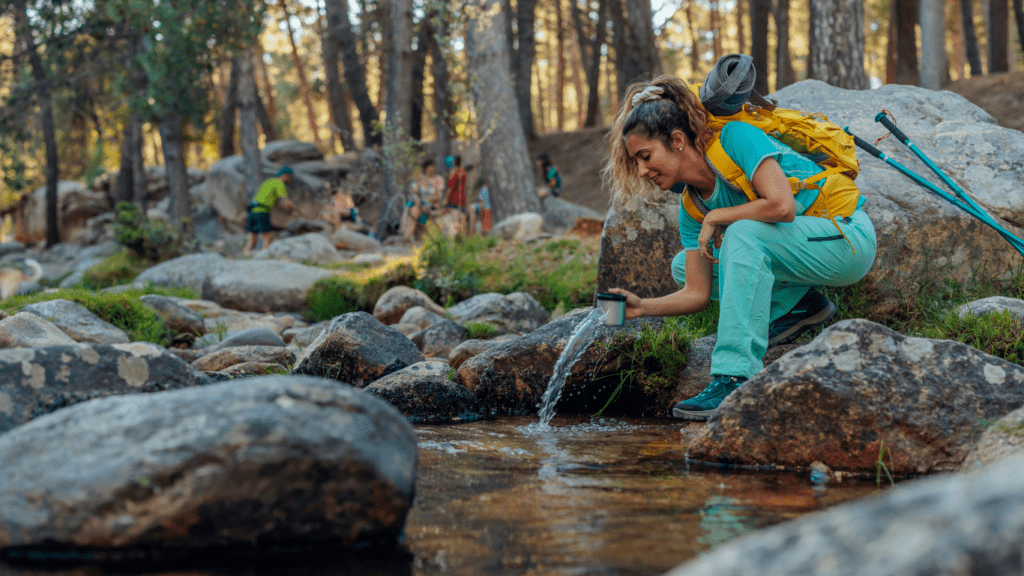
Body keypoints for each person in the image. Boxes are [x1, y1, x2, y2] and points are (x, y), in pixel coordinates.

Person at [605, 76, 877, 421]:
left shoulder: (735, 138)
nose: (642, 170)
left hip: (846, 239)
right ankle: (800, 306)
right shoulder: (691, 208)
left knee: (743, 234)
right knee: (683, 265)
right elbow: (696, 293)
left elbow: (782, 206)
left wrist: (720, 215)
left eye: (645, 156)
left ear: (676, 141)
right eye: (637, 162)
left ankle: (733, 376)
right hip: (802, 251)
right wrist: (642, 308)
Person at [244, 166, 299, 254]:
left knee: (252, 238)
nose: (290, 180)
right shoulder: (279, 183)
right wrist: (298, 210)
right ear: (285, 176)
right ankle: (264, 256)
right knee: (268, 236)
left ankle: (245, 255)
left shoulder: (268, 181)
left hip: (252, 211)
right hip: (262, 211)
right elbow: (286, 202)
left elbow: (272, 200)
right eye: (290, 177)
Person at [444, 155, 468, 237]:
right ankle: (463, 237)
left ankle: (455, 238)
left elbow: (450, 188)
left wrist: (446, 199)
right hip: (462, 199)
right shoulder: (463, 172)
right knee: (462, 219)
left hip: (454, 200)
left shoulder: (454, 174)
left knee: (456, 220)